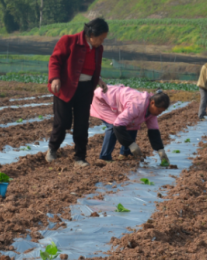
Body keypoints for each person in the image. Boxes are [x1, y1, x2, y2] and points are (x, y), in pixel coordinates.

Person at [46, 17, 109, 167]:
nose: (102, 42)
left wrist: (99, 80)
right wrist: (55, 78)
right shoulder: (69, 41)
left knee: (82, 125)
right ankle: (52, 149)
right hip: (65, 88)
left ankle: (80, 157)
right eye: (101, 38)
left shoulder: (98, 49)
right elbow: (55, 60)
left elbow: (92, 67)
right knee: (62, 122)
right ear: (91, 35)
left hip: (85, 90)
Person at [92, 85, 171, 165]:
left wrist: (160, 150)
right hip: (102, 98)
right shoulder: (137, 105)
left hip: (117, 100)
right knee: (113, 125)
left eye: (162, 111)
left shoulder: (152, 112)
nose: (159, 113)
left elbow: (153, 131)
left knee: (133, 125)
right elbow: (118, 124)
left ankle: (126, 154)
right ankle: (105, 157)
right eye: (159, 110)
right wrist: (131, 144)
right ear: (152, 103)